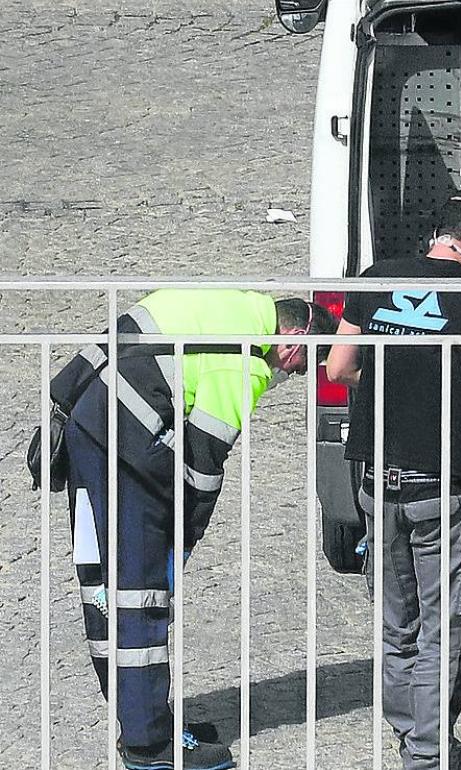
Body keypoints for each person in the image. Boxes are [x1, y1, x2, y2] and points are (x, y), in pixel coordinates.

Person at [57, 289, 334, 770]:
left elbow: (111, 337)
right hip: (128, 455)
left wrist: (58, 407)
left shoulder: (219, 305)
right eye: (302, 363)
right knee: (140, 596)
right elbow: (204, 462)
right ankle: (150, 747)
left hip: (87, 427)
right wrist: (183, 537)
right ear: (295, 336)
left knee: (102, 587)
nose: (292, 373)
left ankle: (140, 718)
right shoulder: (245, 361)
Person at [326, 188, 461, 770]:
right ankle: (429, 755)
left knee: (397, 625)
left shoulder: (376, 277)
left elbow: (339, 367)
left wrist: (397, 380)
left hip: (375, 483)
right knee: (445, 627)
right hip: (443, 488)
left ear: (434, 234)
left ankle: (413, 738)